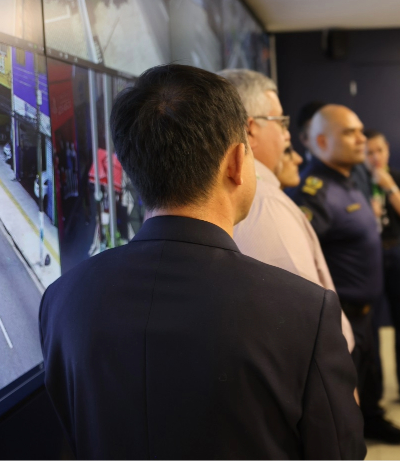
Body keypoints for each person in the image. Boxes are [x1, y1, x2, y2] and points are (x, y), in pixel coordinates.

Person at [39, 65, 364, 459]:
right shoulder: (304, 311)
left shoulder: (63, 300)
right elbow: (340, 451)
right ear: (237, 162)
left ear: (131, 168)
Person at [289, 105, 400, 445]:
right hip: (341, 317)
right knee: (341, 404)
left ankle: (373, 420)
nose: (361, 139)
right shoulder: (314, 191)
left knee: (369, 379)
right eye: (349, 133)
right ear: (321, 142)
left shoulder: (350, 179)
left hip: (365, 313)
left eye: (360, 131)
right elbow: (301, 261)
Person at [222, 69, 354, 351]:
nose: (286, 135)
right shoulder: (265, 202)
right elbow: (305, 317)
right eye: (281, 122)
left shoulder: (240, 194)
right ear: (250, 129)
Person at [364, 129, 400, 408]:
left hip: (399, 251)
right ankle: (373, 394)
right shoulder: (357, 182)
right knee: (370, 326)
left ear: (387, 150)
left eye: (379, 150)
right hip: (370, 255)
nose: (375, 157)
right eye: (369, 152)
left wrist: (390, 188)